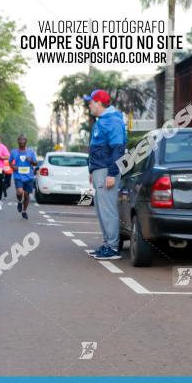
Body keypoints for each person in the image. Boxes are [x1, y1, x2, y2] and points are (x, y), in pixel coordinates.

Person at [84, 89, 127, 260]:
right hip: (99, 169)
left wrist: (112, 173)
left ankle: (113, 248)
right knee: (101, 209)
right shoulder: (103, 120)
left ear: (99, 103)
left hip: (106, 170)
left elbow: (118, 149)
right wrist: (91, 170)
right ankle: (108, 244)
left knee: (107, 209)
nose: (89, 105)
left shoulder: (113, 121)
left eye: (91, 101)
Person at [10, 134, 38, 220]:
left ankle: (24, 211)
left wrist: (31, 160)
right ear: (18, 141)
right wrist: (13, 167)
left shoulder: (31, 152)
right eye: (20, 140)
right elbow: (10, 161)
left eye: (24, 140)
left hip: (29, 176)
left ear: (26, 141)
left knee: (26, 195)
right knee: (19, 192)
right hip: (18, 175)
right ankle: (19, 201)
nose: (22, 141)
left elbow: (35, 163)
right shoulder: (14, 152)